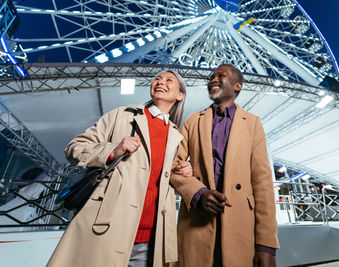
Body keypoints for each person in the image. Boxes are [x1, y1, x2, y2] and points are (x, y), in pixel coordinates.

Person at [48, 70, 192, 267]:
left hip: (151, 237)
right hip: (108, 226)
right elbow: (74, 148)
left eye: (169, 80)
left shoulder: (176, 136)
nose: (160, 82)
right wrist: (112, 151)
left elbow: (163, 177)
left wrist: (184, 170)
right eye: (157, 78)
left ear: (180, 95)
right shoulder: (122, 115)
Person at [170, 64, 279, 267]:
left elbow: (262, 184)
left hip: (239, 226)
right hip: (196, 221)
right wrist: (198, 192)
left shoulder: (253, 123)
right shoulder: (193, 121)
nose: (213, 79)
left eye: (221, 75)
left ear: (237, 86)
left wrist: (266, 245)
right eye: (211, 76)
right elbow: (172, 164)